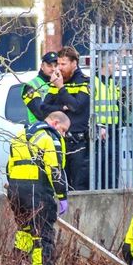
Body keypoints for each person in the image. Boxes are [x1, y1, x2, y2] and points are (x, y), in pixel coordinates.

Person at [6, 111, 71, 265]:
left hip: (15, 190)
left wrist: (14, 188)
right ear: (55, 123)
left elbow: (9, 165)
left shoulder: (20, 134)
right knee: (43, 235)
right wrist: (62, 195)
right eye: (64, 130)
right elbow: (55, 169)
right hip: (37, 190)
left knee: (24, 230)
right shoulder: (49, 137)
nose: (63, 134)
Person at [40, 47, 90, 191]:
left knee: (78, 186)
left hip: (78, 142)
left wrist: (61, 88)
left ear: (74, 64)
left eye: (63, 64)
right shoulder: (56, 82)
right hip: (59, 141)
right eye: (58, 64)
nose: (59, 68)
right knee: (60, 184)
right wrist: (62, 107)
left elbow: (76, 107)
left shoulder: (84, 82)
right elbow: (44, 108)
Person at [92, 57, 122, 189]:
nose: (117, 66)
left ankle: (112, 191)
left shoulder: (113, 83)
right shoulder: (94, 82)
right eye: (115, 63)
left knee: (113, 166)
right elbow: (89, 108)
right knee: (101, 166)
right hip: (100, 131)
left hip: (114, 130)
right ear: (107, 64)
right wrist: (98, 127)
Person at [23, 51, 58, 124]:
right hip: (40, 130)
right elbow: (40, 113)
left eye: (56, 65)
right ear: (42, 66)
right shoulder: (30, 86)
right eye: (49, 65)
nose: (53, 69)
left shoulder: (60, 83)